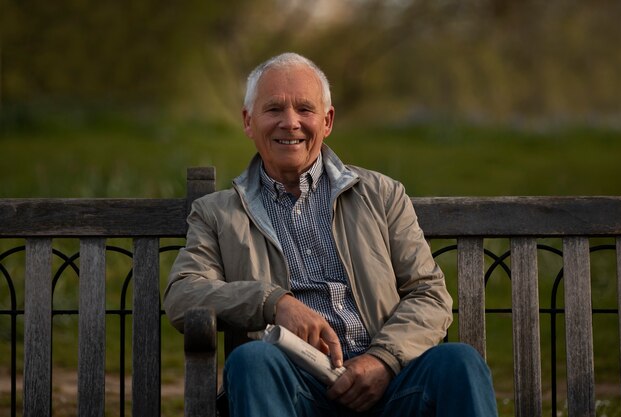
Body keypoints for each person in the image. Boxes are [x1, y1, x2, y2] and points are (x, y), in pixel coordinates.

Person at [164, 52, 498, 417]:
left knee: (459, 362)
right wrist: (274, 302)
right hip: (293, 389)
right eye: (274, 109)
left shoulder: (382, 194)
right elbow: (183, 294)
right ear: (248, 121)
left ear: (328, 121)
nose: (289, 123)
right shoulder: (217, 213)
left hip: (390, 386)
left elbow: (429, 294)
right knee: (252, 360)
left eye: (305, 110)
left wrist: (383, 360)